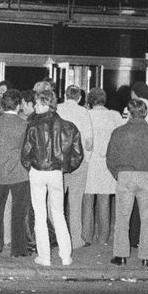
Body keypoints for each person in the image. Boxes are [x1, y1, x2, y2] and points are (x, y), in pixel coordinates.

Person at [20, 88, 84, 268]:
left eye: (38, 104)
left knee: (40, 215)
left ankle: (45, 256)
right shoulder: (68, 126)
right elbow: (77, 154)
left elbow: (25, 153)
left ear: (45, 104)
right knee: (59, 213)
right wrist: (65, 167)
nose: (35, 107)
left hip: (38, 172)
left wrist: (31, 166)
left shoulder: (33, 126)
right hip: (56, 173)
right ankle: (66, 256)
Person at [105, 97, 148, 267]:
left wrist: (118, 174)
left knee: (122, 217)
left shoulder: (118, 132)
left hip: (125, 174)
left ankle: (120, 255)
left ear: (129, 112)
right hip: (147, 176)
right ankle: (147, 256)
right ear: (145, 112)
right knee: (147, 218)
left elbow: (110, 158)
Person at [0, 88, 30, 257]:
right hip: (20, 172)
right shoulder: (24, 124)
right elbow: (28, 150)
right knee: (19, 210)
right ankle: (18, 249)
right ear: (18, 105)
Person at [83, 87, 123, 245]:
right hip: (107, 162)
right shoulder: (115, 115)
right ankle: (103, 237)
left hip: (89, 161)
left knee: (87, 199)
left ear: (90, 100)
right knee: (104, 199)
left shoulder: (86, 114)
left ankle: (86, 236)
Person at [56, 85, 93, 248]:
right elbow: (89, 141)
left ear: (65, 95)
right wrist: (86, 159)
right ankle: (76, 240)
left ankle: (56, 236)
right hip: (78, 162)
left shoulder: (57, 109)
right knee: (75, 202)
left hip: (59, 162)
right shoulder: (83, 112)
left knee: (56, 202)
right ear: (79, 98)